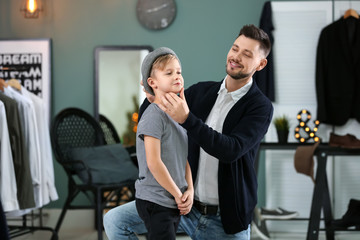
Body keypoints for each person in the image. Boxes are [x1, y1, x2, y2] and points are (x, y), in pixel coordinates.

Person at [104, 24, 274, 240]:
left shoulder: (260, 107)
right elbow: (156, 105)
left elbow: (231, 149)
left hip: (224, 221)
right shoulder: (202, 92)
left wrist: (186, 119)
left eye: (246, 54)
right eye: (235, 48)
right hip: (181, 206)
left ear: (261, 64)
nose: (236, 56)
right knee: (115, 220)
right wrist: (152, 93)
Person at [134, 47, 194, 240]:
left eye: (179, 72)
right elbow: (154, 162)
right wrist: (178, 194)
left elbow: (183, 157)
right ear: (152, 83)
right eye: (169, 73)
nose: (177, 76)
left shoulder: (179, 116)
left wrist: (189, 189)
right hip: (155, 201)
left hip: (172, 200)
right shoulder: (153, 115)